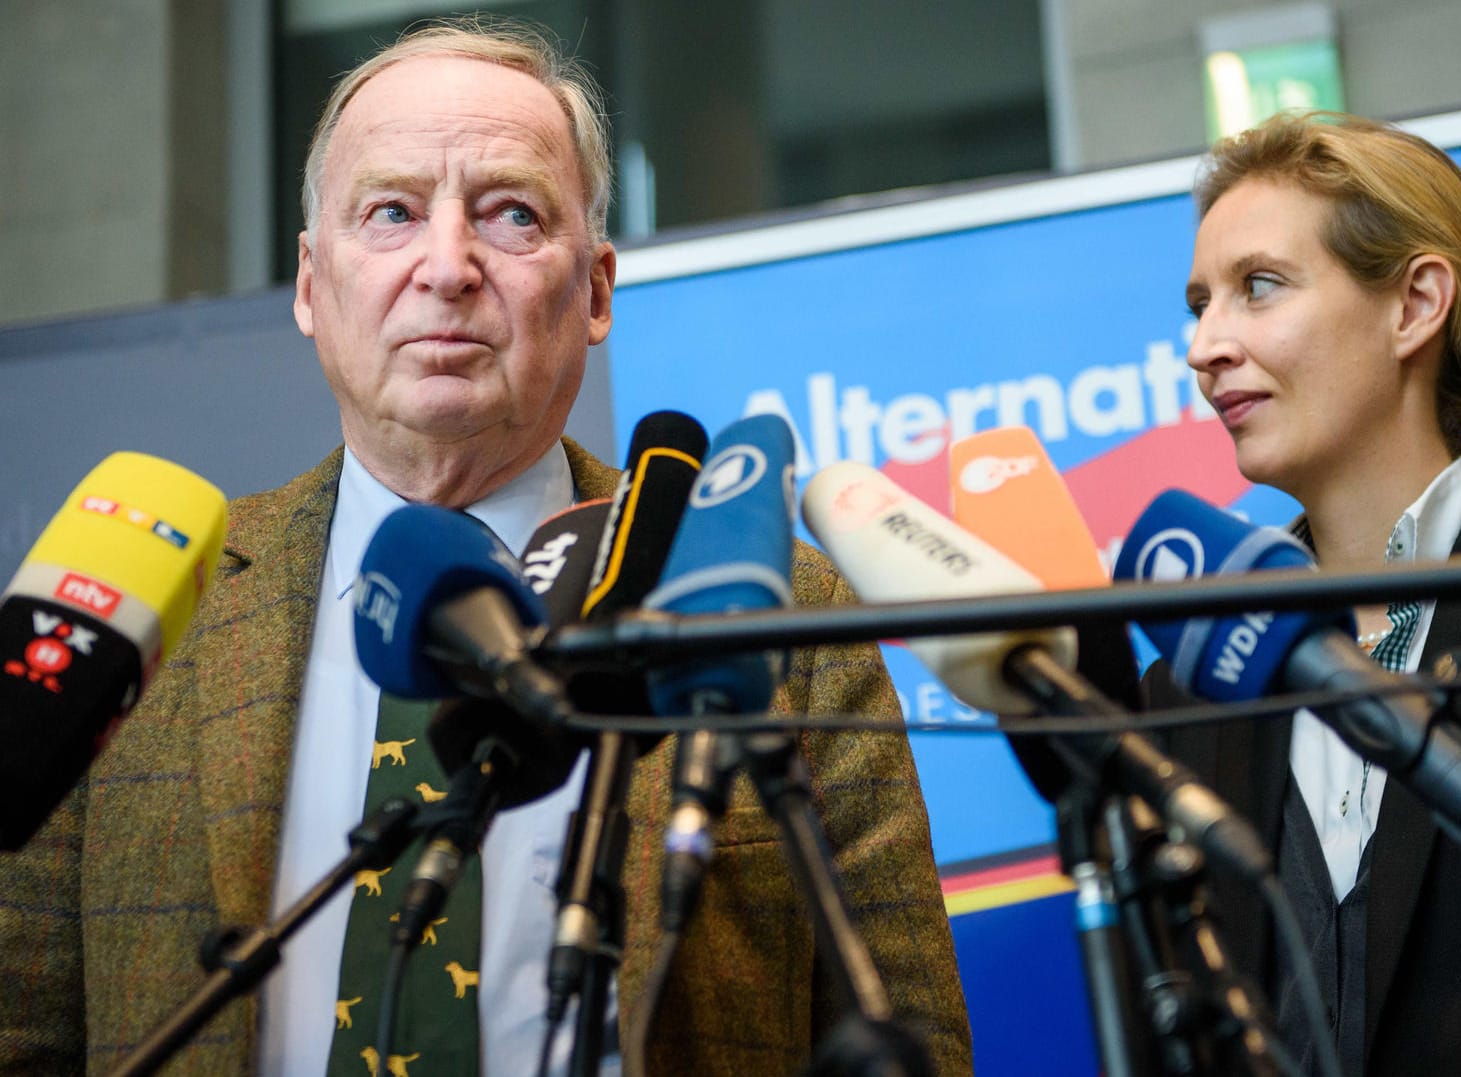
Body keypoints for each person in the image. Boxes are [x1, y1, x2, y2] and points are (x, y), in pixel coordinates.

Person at [0, 18, 971, 1077]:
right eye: (391, 213)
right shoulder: (136, 616)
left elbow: (906, 1034)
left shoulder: (774, 603)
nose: (448, 267)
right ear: (312, 286)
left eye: (511, 214)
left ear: (595, 290)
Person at [1156, 111, 1461, 1075]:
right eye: (1198, 305)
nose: (1204, 346)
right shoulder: (1181, 692)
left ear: (1414, 305)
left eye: (1258, 287)